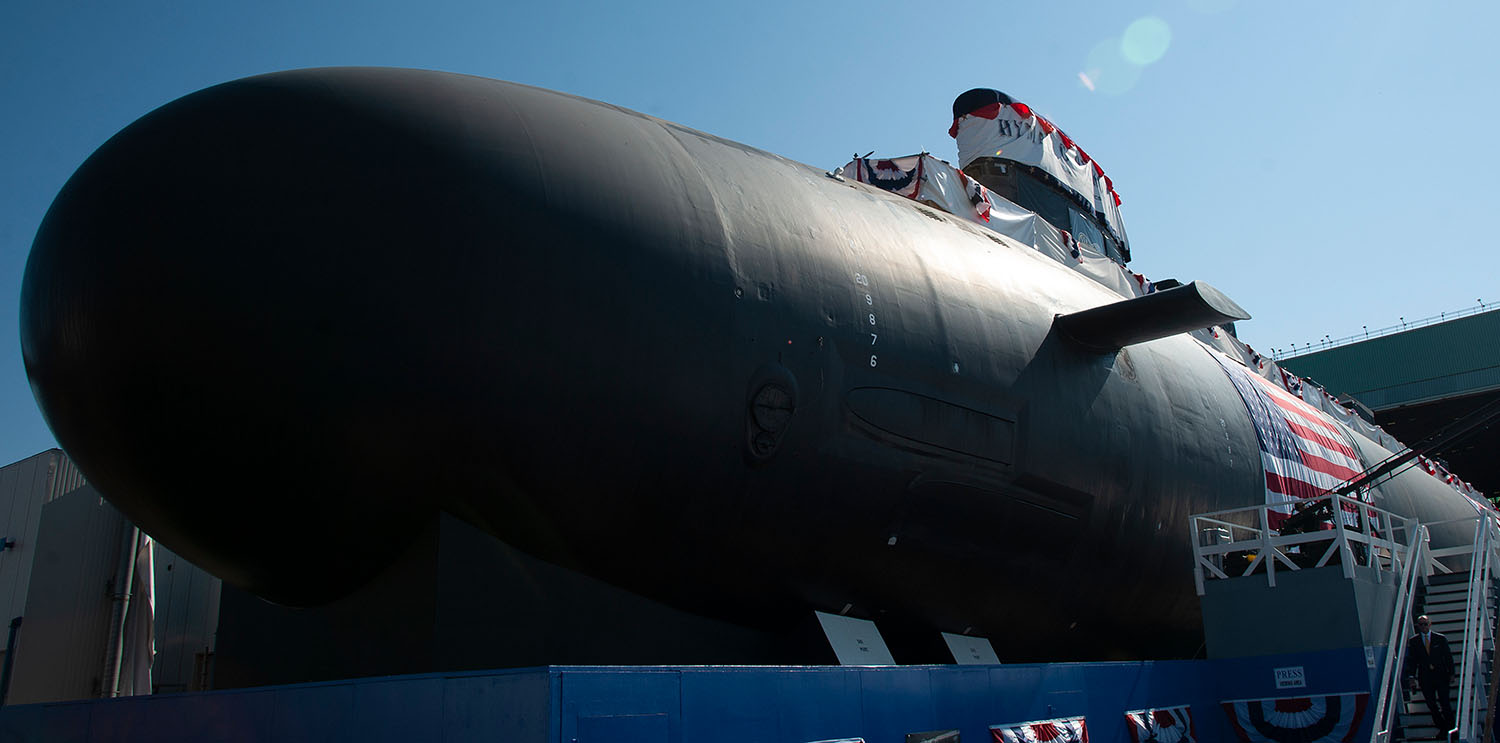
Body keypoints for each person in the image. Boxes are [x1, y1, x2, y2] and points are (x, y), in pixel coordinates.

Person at [1404, 615, 1456, 740]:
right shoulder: (1414, 641)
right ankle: (1442, 727)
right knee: (1431, 704)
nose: (1423, 627)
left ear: (1430, 624)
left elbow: (1448, 657)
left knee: (1445, 703)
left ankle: (1451, 728)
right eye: (1420, 624)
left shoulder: (1440, 639)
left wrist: (1452, 673)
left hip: (1441, 675)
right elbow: (1413, 661)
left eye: (1425, 624)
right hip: (1425, 678)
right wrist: (1412, 677)